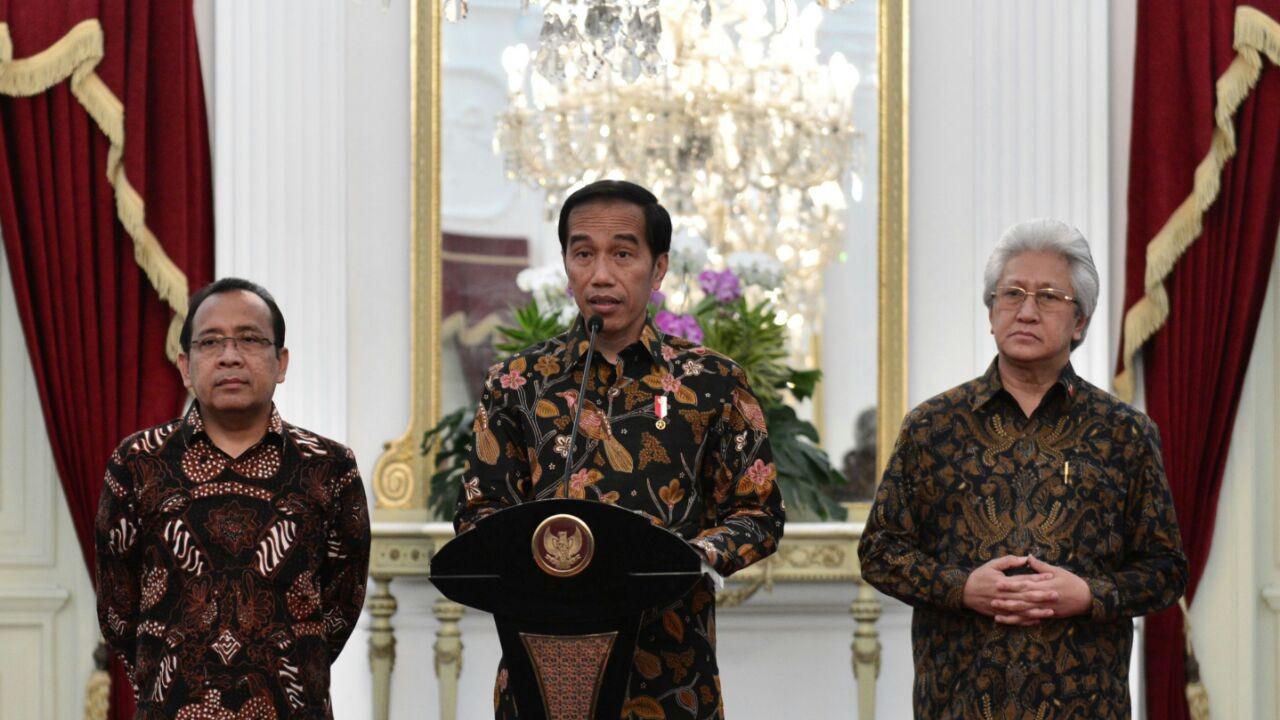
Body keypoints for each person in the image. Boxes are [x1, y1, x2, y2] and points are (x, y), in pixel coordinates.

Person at [455, 180, 785, 719]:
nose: (601, 274)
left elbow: (759, 511)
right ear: (566, 264)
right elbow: (478, 514)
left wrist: (692, 557)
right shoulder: (516, 383)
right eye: (583, 253)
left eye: (623, 254)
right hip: (544, 667)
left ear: (658, 269)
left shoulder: (712, 381)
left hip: (671, 671)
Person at [858, 219, 1187, 719]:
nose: (1027, 310)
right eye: (1011, 293)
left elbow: (1165, 570)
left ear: (1079, 322)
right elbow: (880, 552)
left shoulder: (1125, 433)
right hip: (958, 702)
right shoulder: (933, 426)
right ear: (991, 313)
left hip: (1085, 703)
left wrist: (1088, 594)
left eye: (1050, 296)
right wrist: (962, 587)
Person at [94, 278, 370, 719]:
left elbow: (342, 601)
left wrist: (288, 667)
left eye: (249, 339)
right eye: (210, 342)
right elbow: (116, 606)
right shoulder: (137, 462)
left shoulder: (329, 466)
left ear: (281, 362)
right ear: (185, 365)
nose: (230, 355)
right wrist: (164, 674)